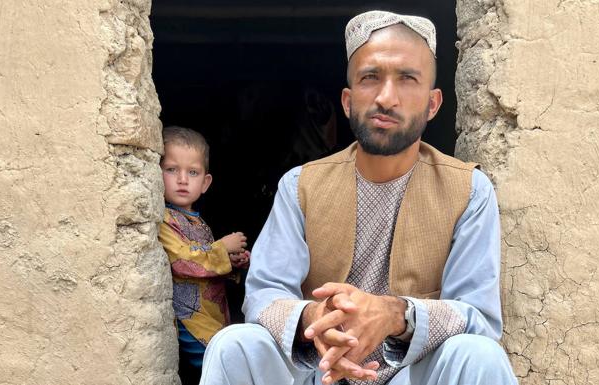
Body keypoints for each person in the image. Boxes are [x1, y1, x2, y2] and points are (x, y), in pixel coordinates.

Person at [199, 10, 517, 385]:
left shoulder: (468, 190)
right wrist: (315, 319)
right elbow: (265, 294)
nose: (386, 97)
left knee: (478, 353)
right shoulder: (301, 185)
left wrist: (395, 314)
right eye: (371, 78)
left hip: (410, 376)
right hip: (318, 372)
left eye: (407, 79)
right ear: (348, 101)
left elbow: (478, 315)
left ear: (432, 104)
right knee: (235, 344)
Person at [158, 126, 250, 385]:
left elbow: (209, 266)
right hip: (190, 318)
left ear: (205, 183)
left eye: (193, 172)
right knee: (216, 369)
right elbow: (185, 260)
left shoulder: (198, 222)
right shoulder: (164, 219)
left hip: (212, 315)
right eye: (172, 169)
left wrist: (233, 264)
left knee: (222, 365)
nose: (183, 179)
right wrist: (222, 247)